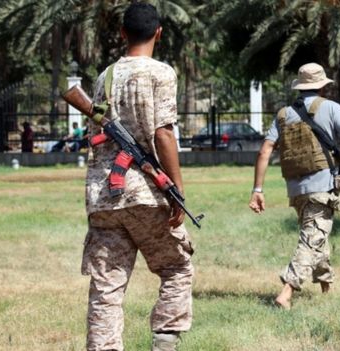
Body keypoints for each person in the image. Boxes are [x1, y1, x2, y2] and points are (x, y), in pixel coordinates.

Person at [82, 3, 193, 351]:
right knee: (177, 268)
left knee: (107, 287)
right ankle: (163, 344)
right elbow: (163, 133)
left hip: (103, 196)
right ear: (159, 33)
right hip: (144, 193)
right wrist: (176, 187)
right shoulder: (161, 73)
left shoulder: (105, 76)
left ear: (122, 33)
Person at [249, 63, 340, 310]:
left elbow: (265, 150)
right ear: (323, 86)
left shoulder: (283, 115)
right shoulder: (331, 107)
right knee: (311, 238)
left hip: (295, 189)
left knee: (316, 233)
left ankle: (326, 287)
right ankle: (286, 292)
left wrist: (257, 189)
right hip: (322, 186)